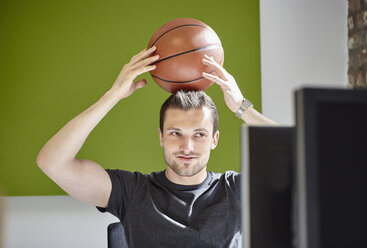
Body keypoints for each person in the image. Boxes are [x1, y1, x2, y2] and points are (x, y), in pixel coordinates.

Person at [36, 46, 277, 247]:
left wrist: (241, 107)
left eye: (199, 134)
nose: (187, 146)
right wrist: (113, 95)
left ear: (214, 140)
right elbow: (52, 162)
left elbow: (305, 153)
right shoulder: (131, 192)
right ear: (161, 136)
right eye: (176, 133)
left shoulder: (236, 190)